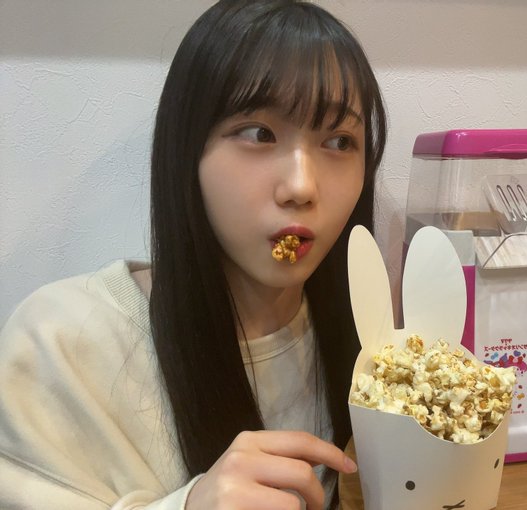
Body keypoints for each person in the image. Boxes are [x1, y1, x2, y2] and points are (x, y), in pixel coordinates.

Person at [0, 1, 387, 508]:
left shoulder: (368, 340)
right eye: (260, 134)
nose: (301, 186)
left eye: (339, 141)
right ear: (187, 148)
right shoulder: (63, 343)